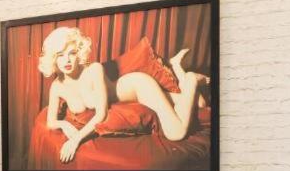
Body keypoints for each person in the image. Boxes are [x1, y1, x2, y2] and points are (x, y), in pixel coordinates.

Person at [39, 27, 206, 163]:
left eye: (72, 53)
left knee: (176, 133)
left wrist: (75, 140)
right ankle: (177, 68)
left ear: (79, 52)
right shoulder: (57, 86)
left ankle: (191, 79)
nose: (67, 60)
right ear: (53, 59)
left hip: (139, 87)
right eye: (60, 55)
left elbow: (101, 114)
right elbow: (51, 122)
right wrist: (64, 125)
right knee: (200, 104)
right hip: (133, 94)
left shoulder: (94, 69)